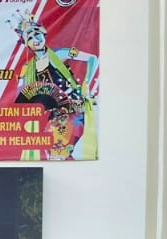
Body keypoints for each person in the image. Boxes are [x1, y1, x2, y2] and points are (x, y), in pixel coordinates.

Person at [8, 11, 99, 161]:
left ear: (43, 34)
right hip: (50, 117)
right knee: (54, 155)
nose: (35, 39)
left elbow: (92, 59)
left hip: (72, 109)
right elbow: (21, 94)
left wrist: (86, 85)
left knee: (60, 153)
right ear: (26, 44)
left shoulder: (59, 54)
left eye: (37, 34)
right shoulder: (28, 68)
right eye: (30, 38)